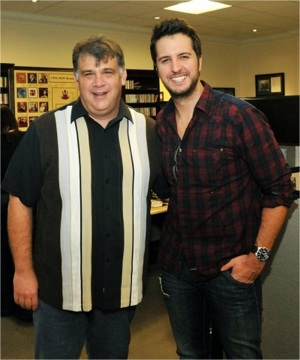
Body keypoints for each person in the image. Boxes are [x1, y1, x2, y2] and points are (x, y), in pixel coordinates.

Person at [2, 35, 168, 359]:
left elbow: (171, 193)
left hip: (121, 295)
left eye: (106, 71)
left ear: (123, 76)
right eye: (88, 73)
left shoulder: (148, 132)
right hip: (59, 296)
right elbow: (19, 201)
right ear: (76, 79)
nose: (98, 82)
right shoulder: (46, 130)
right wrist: (23, 271)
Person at [150, 18, 296, 359]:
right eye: (165, 60)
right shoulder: (162, 122)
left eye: (183, 57)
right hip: (177, 269)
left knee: (242, 354)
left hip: (230, 271)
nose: (176, 68)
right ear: (157, 67)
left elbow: (280, 190)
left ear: (199, 61)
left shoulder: (239, 116)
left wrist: (258, 259)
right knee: (190, 354)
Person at [1, 105, 32, 321]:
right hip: (21, 202)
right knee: (21, 255)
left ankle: (4, 305)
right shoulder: (24, 139)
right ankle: (23, 306)